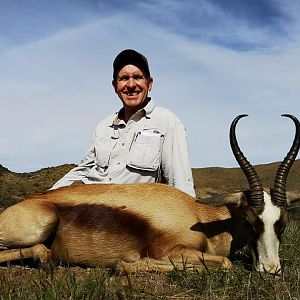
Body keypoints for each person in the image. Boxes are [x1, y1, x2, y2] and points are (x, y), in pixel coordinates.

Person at [50, 49, 195, 197]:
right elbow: (84, 170)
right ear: (115, 86)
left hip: (129, 215)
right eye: (124, 78)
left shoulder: (167, 121)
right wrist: (46, 197)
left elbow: (181, 184)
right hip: (90, 208)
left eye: (138, 77)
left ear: (149, 84)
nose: (131, 85)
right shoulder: (103, 126)